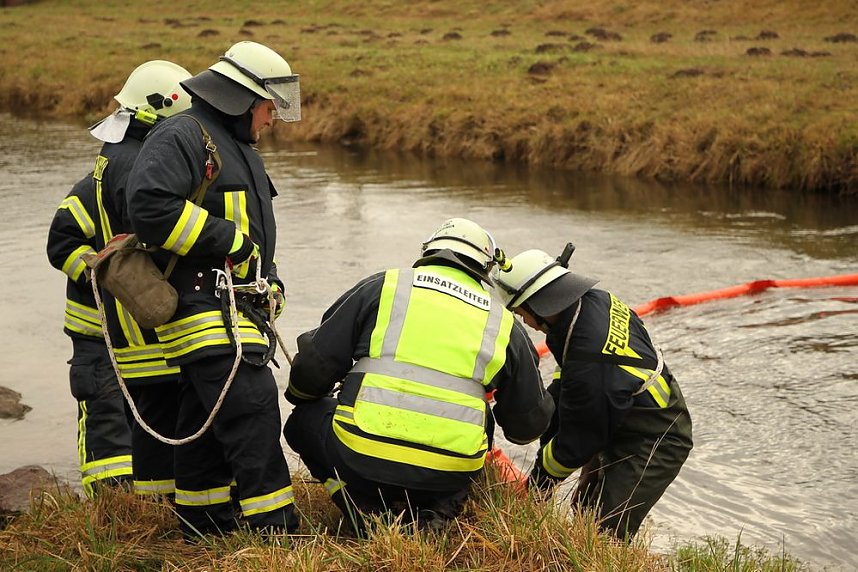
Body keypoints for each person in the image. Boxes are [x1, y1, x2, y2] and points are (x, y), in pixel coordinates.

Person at [125, 41, 301, 538]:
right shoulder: (182, 134)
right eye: (269, 108)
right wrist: (233, 243)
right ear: (244, 99)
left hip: (234, 309)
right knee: (254, 411)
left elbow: (253, 236)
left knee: (204, 421)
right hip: (204, 308)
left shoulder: (235, 146)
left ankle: (204, 527)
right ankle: (279, 534)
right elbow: (150, 207)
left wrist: (270, 280)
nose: (271, 120)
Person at [283, 218, 554, 535]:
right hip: (450, 471)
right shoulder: (505, 323)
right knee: (482, 419)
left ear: (429, 251)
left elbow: (313, 369)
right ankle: (436, 512)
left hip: (361, 456)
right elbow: (526, 428)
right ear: (486, 269)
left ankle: (363, 509)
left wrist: (303, 396)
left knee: (302, 422)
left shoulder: (384, 286)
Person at [46, 60, 192, 497]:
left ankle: (143, 503)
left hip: (133, 333)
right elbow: (60, 246)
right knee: (109, 433)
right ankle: (110, 518)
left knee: (144, 418)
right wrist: (102, 275)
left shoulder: (129, 168)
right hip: (98, 336)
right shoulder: (103, 182)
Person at [493, 245, 693, 541]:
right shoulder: (589, 305)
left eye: (522, 312)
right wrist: (548, 420)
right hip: (621, 412)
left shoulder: (591, 355)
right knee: (585, 508)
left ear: (540, 304)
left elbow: (576, 443)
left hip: (655, 438)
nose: (524, 322)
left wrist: (537, 488)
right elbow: (568, 385)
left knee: (605, 529)